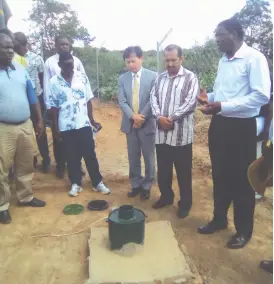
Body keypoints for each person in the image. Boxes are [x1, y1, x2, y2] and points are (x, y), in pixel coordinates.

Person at [197, 18, 270, 249]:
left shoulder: (254, 58)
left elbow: (261, 96)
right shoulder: (223, 60)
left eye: (220, 34)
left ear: (235, 34)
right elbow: (224, 93)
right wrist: (209, 99)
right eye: (215, 35)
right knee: (220, 176)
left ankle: (243, 231)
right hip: (220, 126)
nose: (216, 39)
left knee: (242, 181)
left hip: (241, 129)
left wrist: (223, 106)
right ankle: (219, 219)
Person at [48, 51, 110, 197]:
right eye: (66, 65)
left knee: (90, 154)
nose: (70, 68)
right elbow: (54, 108)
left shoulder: (81, 77)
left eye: (71, 64)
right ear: (60, 65)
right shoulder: (54, 82)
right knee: (71, 156)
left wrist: (92, 120)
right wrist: (55, 129)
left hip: (83, 124)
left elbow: (88, 100)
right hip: (66, 126)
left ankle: (97, 182)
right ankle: (75, 183)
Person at [0, 34, 46, 224]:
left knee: (26, 163)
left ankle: (25, 197)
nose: (10, 50)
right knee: (2, 167)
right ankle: (2, 205)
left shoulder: (20, 68)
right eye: (5, 47)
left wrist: (39, 120)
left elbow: (32, 94)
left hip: (25, 124)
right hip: (3, 128)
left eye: (11, 47)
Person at [150, 44, 199, 218]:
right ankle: (166, 197)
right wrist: (159, 117)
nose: (170, 64)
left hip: (181, 137)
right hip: (161, 135)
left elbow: (191, 102)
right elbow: (153, 98)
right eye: (167, 60)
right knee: (163, 170)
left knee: (183, 173)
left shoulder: (190, 78)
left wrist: (170, 119)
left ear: (181, 59)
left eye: (173, 60)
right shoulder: (159, 78)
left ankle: (185, 204)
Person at [118, 46, 157, 200]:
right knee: (133, 156)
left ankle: (147, 186)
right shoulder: (123, 78)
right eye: (128, 62)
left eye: (133, 61)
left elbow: (153, 99)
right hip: (130, 124)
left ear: (141, 59)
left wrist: (141, 117)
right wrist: (133, 117)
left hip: (147, 124)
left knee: (149, 157)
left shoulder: (153, 76)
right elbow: (122, 101)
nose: (131, 65)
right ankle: (135, 184)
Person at [44, 35, 86, 178]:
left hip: (75, 108)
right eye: (62, 44)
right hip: (58, 109)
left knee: (78, 139)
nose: (64, 47)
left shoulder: (77, 61)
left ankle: (77, 165)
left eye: (67, 45)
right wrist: (49, 107)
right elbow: (46, 84)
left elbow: (83, 82)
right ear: (56, 45)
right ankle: (61, 166)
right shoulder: (50, 62)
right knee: (59, 138)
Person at [14, 32, 51, 173]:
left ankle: (46, 159)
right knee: (24, 131)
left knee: (39, 130)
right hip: (20, 101)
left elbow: (42, 80)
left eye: (16, 46)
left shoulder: (36, 59)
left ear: (24, 45)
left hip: (36, 100)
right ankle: (31, 159)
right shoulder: (12, 60)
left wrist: (43, 101)